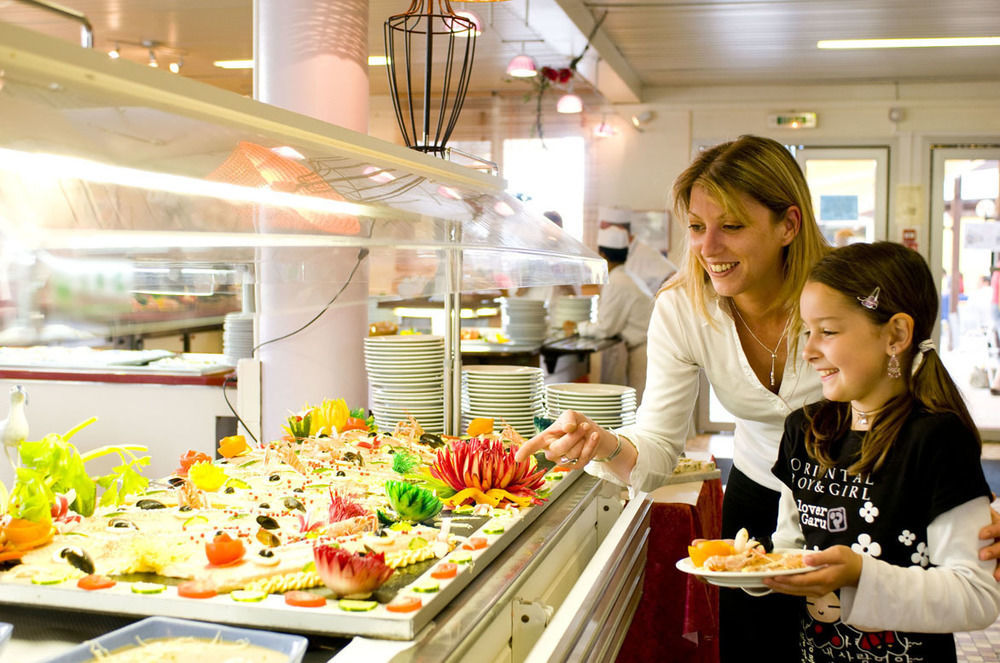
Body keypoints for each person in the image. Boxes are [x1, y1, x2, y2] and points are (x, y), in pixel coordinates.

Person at [515, 135, 1000, 661]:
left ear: (788, 225)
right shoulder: (684, 309)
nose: (707, 247)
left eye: (733, 226)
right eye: (697, 227)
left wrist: (961, 512)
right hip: (772, 489)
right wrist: (605, 444)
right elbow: (656, 445)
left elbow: (916, 394)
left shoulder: (840, 295)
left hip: (881, 495)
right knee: (764, 642)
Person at [764, 241, 1000, 661]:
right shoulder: (804, 430)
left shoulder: (937, 439)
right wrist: (756, 569)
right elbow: (788, 544)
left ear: (896, 335)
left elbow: (976, 595)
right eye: (807, 330)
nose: (808, 350)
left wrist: (860, 574)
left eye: (829, 331)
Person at [568, 220, 654, 401]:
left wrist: (577, 328)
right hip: (646, 348)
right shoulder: (626, 277)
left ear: (602, 255)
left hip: (645, 352)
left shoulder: (617, 281)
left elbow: (606, 328)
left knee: (642, 406)